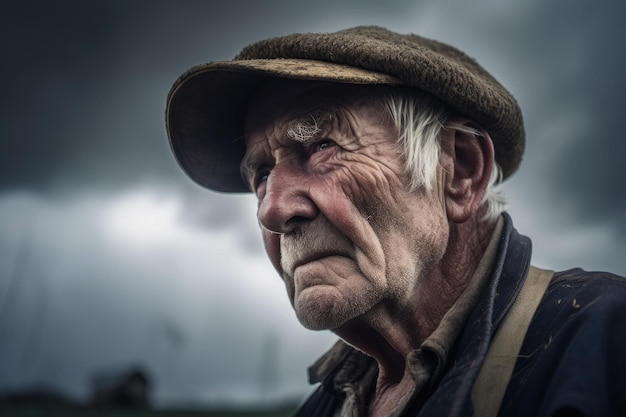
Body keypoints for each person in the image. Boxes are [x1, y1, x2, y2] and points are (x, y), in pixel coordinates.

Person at [165, 26, 626, 417]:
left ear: (461, 171)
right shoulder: (327, 403)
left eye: (322, 145)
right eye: (262, 175)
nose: (272, 209)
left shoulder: (601, 341)